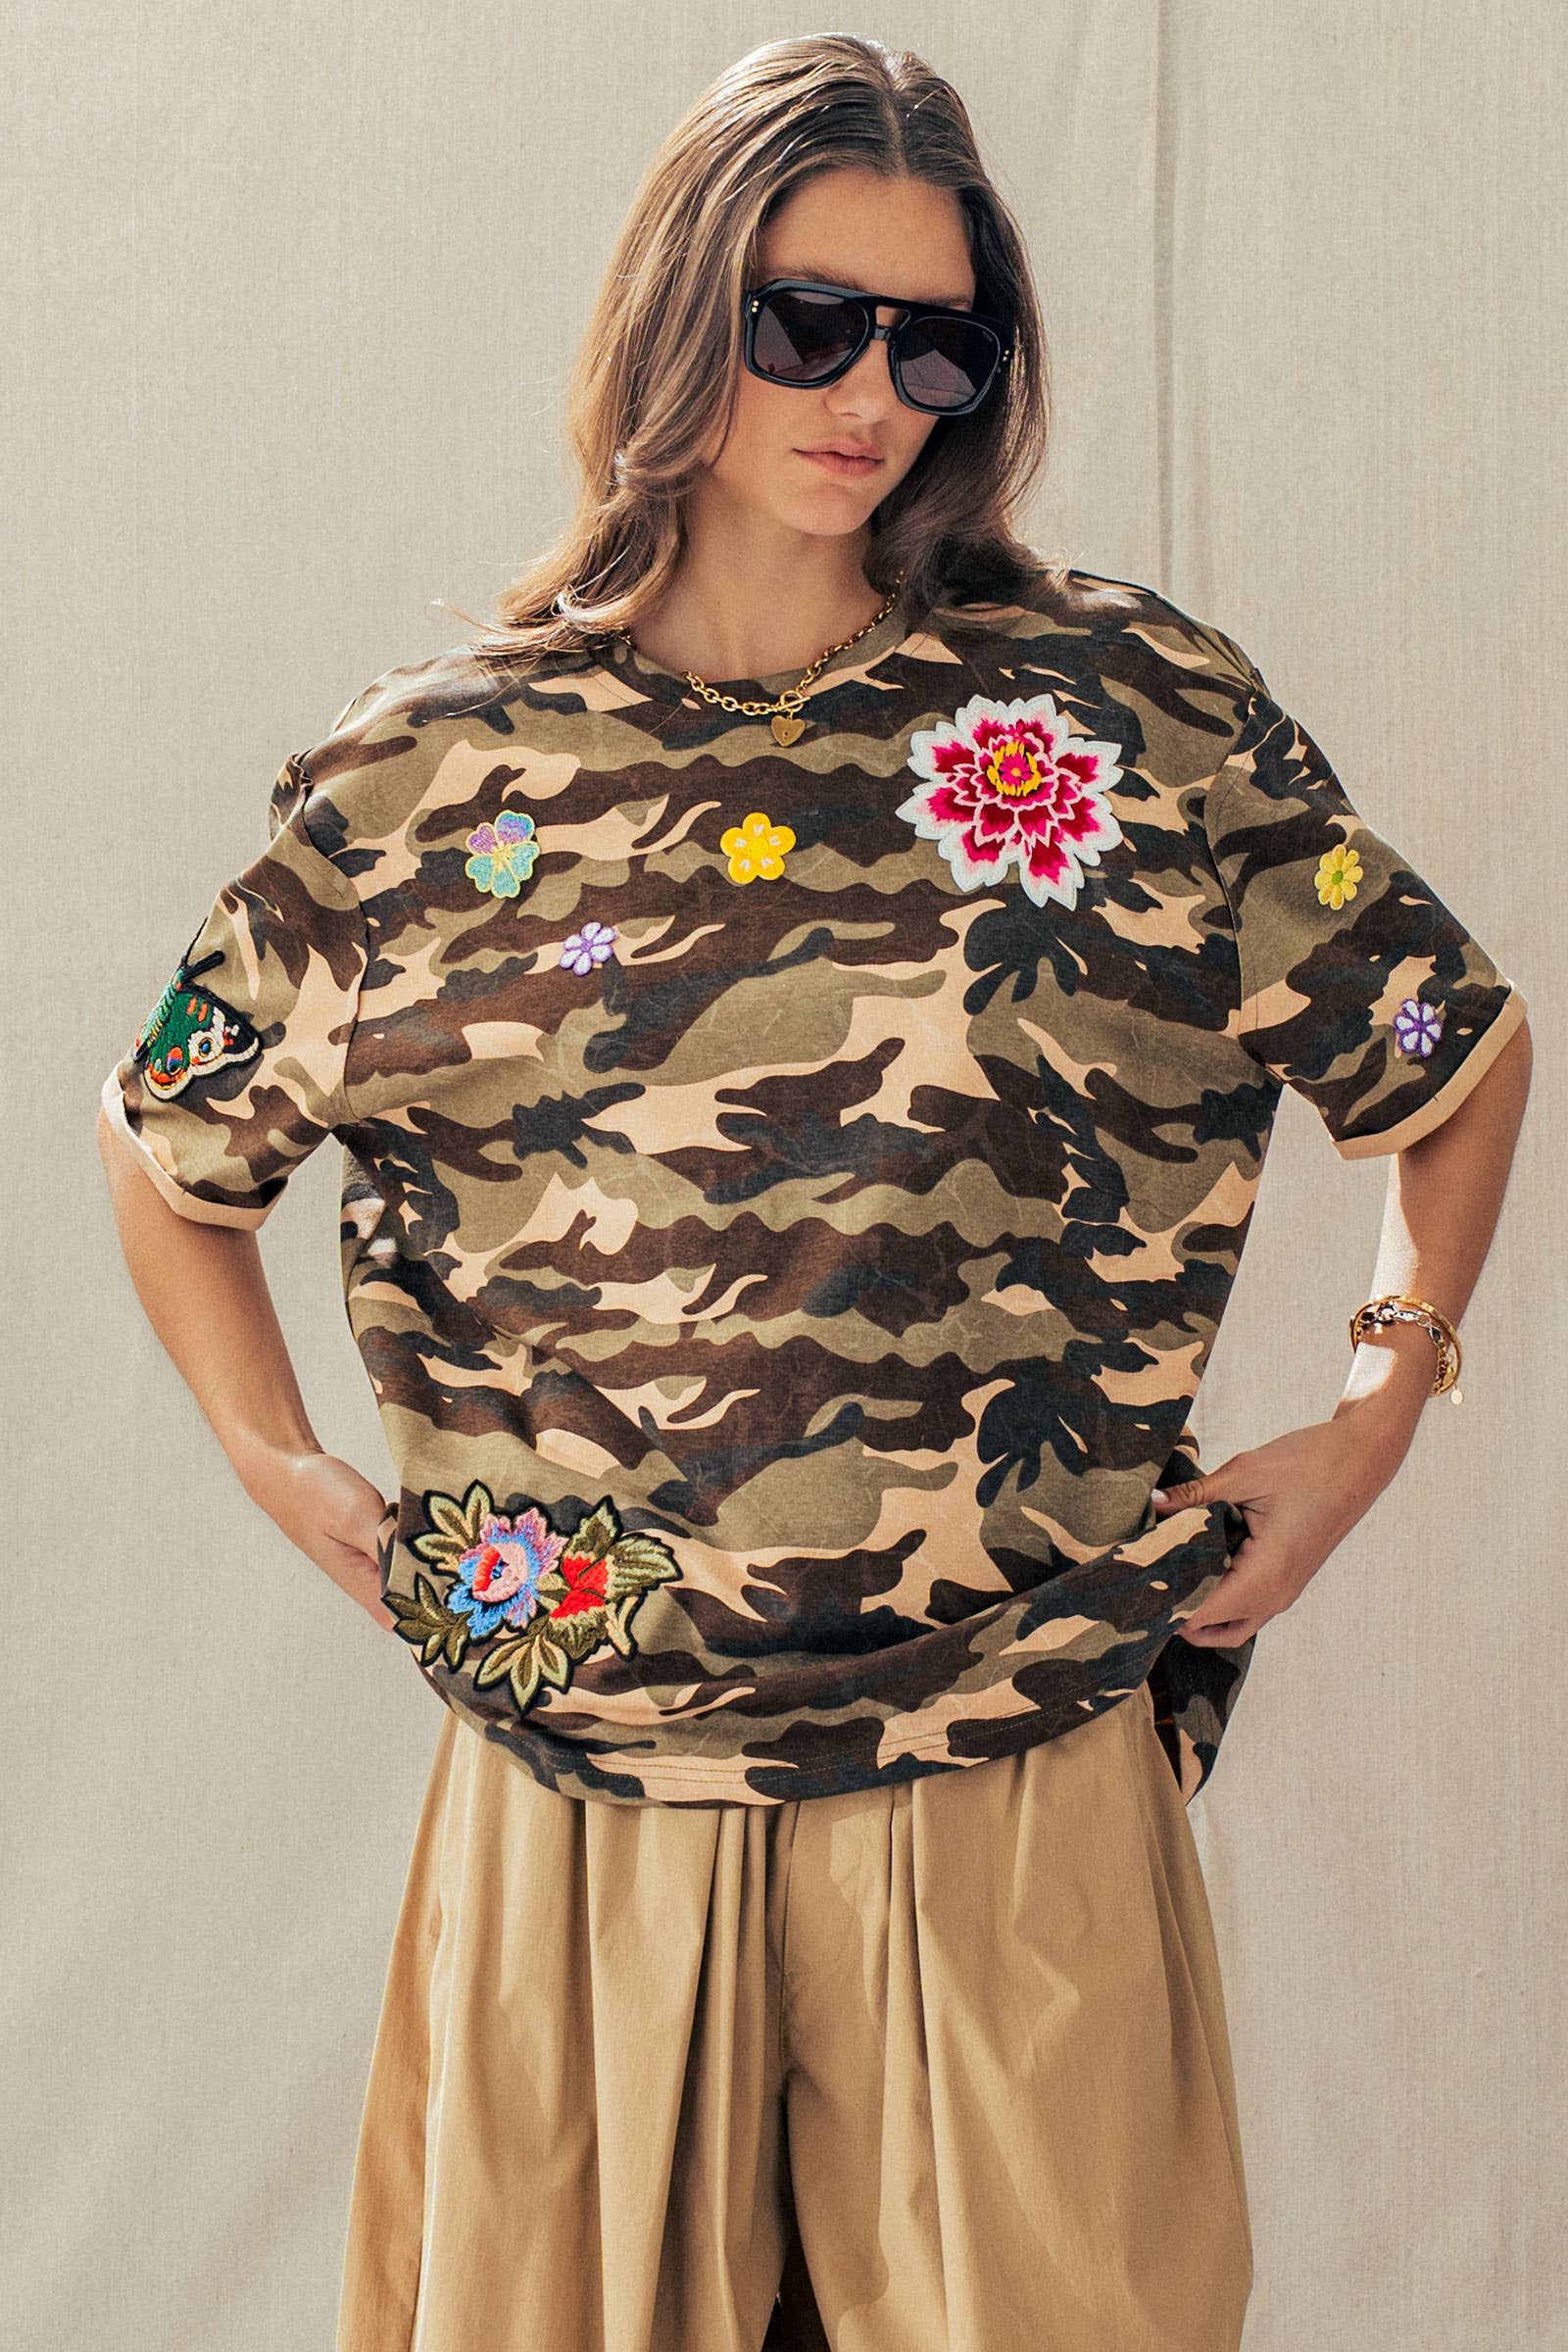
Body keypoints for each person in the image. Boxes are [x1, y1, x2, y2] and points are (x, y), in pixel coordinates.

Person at [97, 32, 1532, 2352]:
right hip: (583, 1782)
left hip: (1012, 1756)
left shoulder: (1114, 715)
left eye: (935, 342)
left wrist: (1378, 1406)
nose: (874, 391)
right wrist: (281, 1467)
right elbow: (171, 1134)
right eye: (809, 321)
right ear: (678, 309)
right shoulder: (435, 782)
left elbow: (1442, 1046)